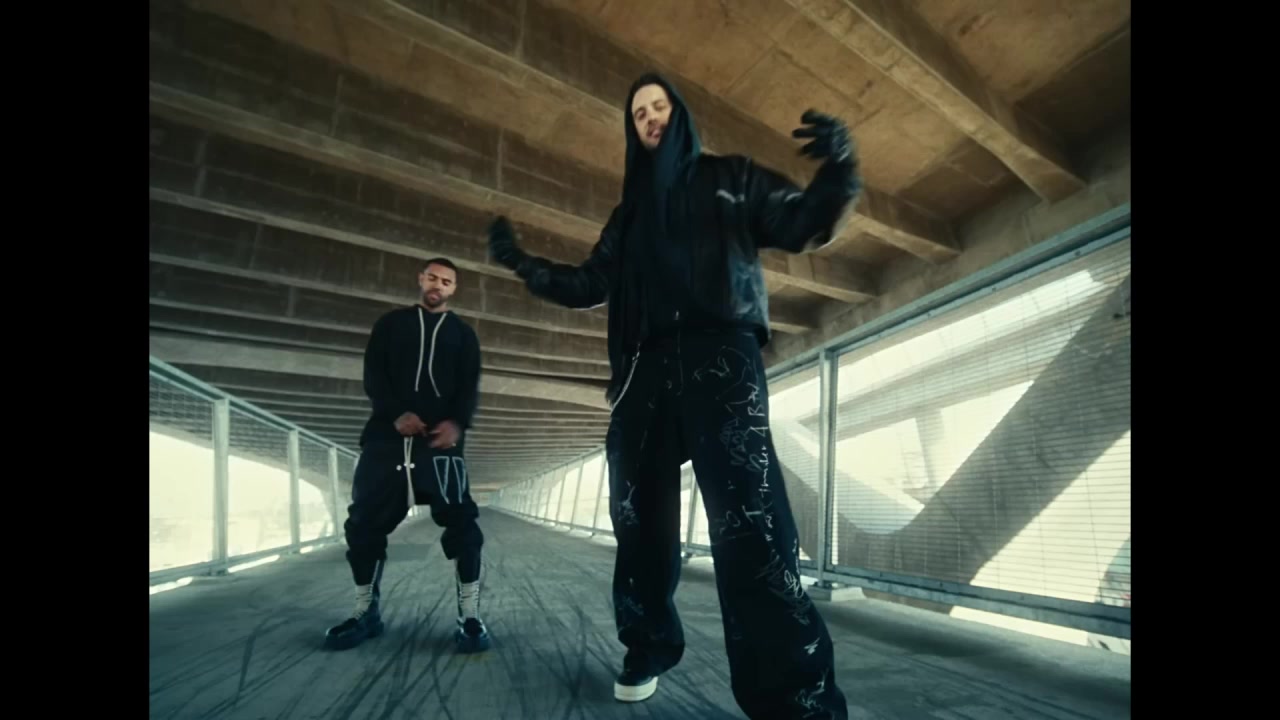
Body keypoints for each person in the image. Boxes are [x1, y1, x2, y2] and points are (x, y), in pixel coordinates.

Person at [486, 73, 859, 718]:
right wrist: (526, 266)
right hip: (643, 371)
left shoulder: (731, 178)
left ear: (678, 114)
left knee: (751, 526)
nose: (650, 117)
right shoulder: (627, 216)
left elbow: (801, 223)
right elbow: (589, 283)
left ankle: (797, 698)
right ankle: (647, 645)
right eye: (638, 113)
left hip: (722, 358)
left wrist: (840, 167)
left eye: (658, 106)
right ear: (632, 131)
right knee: (637, 522)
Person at [323, 258, 491, 655]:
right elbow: (374, 375)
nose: (438, 285)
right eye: (432, 277)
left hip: (440, 447)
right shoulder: (390, 324)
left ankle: (470, 617)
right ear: (421, 279)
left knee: (463, 524)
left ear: (453, 289)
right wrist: (395, 413)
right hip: (386, 441)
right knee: (363, 523)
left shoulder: (463, 335)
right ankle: (365, 612)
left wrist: (457, 423)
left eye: (446, 281)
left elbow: (469, 386)